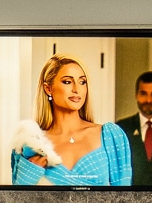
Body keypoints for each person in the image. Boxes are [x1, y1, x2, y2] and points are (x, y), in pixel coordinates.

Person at [11, 54, 133, 186]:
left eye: (82, 82)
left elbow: (124, 201)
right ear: (48, 88)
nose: (76, 89)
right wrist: (30, 171)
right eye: (67, 82)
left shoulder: (110, 135)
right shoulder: (31, 145)